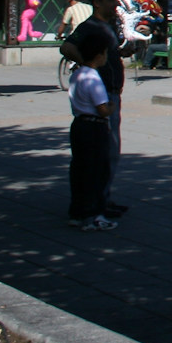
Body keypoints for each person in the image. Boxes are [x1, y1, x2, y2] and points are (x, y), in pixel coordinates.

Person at [62, 0, 128, 220]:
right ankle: (97, 201)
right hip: (102, 96)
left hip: (110, 91)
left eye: (116, 0)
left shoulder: (109, 26)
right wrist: (87, 63)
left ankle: (103, 197)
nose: (115, 5)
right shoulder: (90, 26)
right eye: (110, 0)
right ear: (97, 2)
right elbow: (67, 46)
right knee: (103, 152)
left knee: (109, 151)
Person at [65, 41, 117, 232]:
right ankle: (93, 214)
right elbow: (102, 109)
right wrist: (112, 107)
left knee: (79, 169)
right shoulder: (93, 78)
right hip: (94, 126)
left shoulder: (76, 74)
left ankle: (77, 212)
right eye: (104, 53)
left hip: (79, 123)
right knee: (96, 170)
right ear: (98, 56)